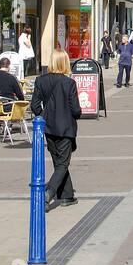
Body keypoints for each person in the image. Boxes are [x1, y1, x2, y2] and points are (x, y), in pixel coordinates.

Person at [31, 51, 81, 211]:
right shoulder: (69, 83)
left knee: (58, 162)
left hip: (49, 127)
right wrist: (76, 114)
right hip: (65, 127)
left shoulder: (40, 81)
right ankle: (49, 192)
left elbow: (34, 105)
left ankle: (66, 196)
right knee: (63, 163)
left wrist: (43, 116)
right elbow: (75, 110)